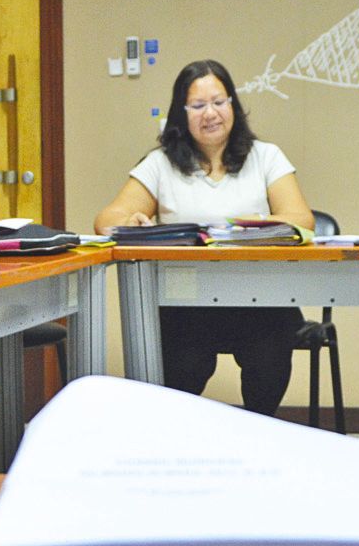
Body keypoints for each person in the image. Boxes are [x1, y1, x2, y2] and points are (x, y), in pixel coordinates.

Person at [95, 58, 315, 416]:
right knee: (184, 366)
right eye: (197, 106)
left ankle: (259, 431)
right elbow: (107, 221)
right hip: (186, 301)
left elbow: (302, 220)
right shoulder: (161, 163)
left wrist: (249, 226)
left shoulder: (265, 157)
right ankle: (183, 440)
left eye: (218, 102)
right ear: (181, 114)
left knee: (269, 354)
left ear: (233, 106)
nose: (210, 114)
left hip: (257, 298)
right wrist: (132, 222)